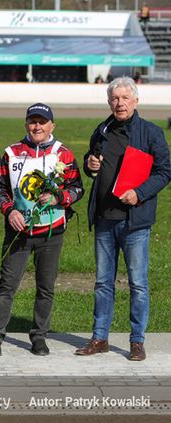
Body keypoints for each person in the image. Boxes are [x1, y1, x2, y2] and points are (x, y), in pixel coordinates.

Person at [76, 77, 171, 361]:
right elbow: (92, 162)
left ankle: (137, 341)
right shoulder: (102, 131)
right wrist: (89, 165)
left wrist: (139, 193)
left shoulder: (151, 133)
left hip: (134, 222)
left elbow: (165, 171)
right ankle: (100, 337)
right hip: (105, 219)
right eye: (115, 98)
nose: (120, 103)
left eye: (125, 98)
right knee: (103, 283)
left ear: (136, 101)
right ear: (109, 102)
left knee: (138, 284)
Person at [0, 103, 84, 357]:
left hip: (51, 232)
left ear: (52, 125)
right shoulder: (11, 152)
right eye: (33, 121)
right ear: (26, 123)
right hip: (19, 232)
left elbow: (77, 189)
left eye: (42, 122)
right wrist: (10, 211)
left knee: (45, 287)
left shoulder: (63, 153)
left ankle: (39, 337)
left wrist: (58, 198)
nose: (37, 126)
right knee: (7, 285)